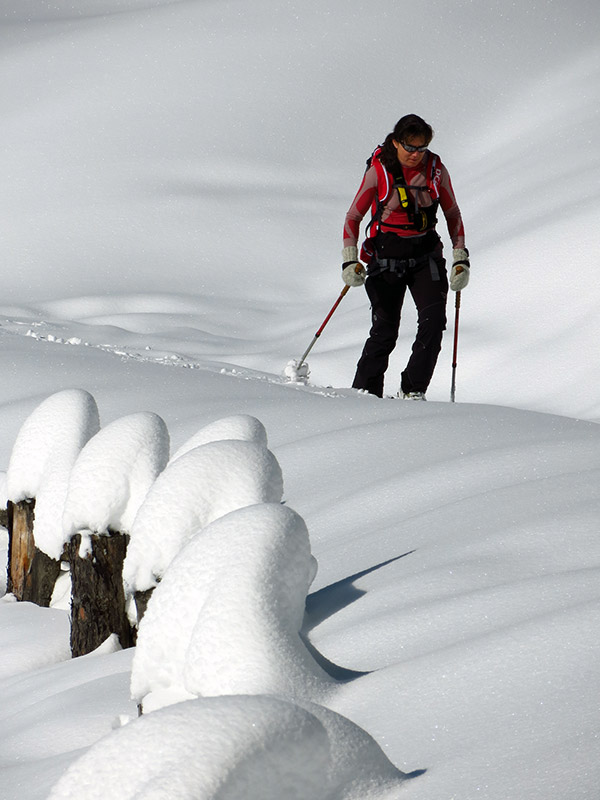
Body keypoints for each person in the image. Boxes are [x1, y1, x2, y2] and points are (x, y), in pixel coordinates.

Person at [342, 114, 469, 400]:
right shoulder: (379, 171)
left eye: (422, 148)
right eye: (410, 147)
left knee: (433, 323)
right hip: (386, 256)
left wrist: (460, 256)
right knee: (385, 331)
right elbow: (353, 216)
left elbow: (452, 212)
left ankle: (413, 390)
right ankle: (364, 395)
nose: (416, 154)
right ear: (396, 142)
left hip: (426, 255)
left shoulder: (436, 170)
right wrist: (350, 259)